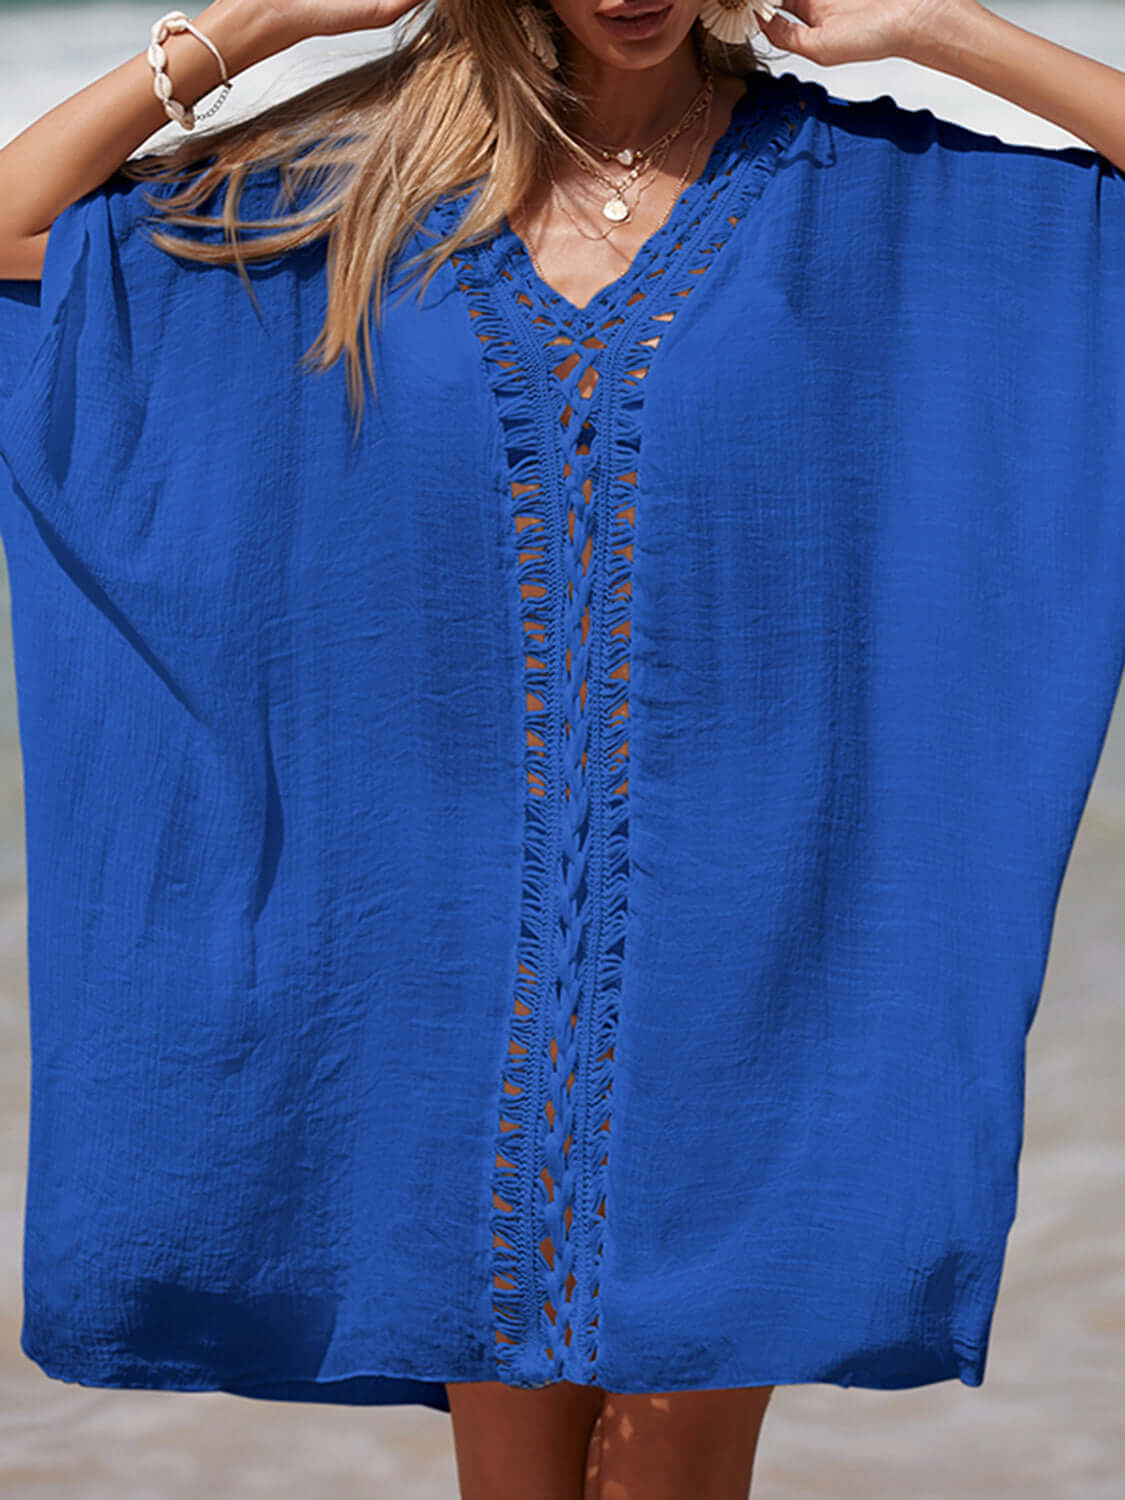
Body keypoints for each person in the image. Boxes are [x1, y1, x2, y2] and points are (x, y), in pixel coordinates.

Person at [1, 2, 1125, 1497]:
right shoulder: (352, 189)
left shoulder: (877, 193)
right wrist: (263, 24)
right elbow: (20, 236)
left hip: (759, 953)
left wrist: (935, 30)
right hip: (433, 970)